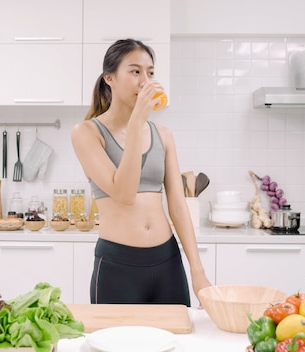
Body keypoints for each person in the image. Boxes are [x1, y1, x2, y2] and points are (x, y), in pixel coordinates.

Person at [71, 39, 211, 306]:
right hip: (117, 265)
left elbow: (178, 207)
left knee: (177, 343)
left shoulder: (164, 135)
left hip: (167, 262)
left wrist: (197, 270)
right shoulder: (86, 133)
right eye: (135, 72)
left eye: (150, 72)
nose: (145, 81)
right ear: (109, 78)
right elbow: (123, 194)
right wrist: (136, 121)